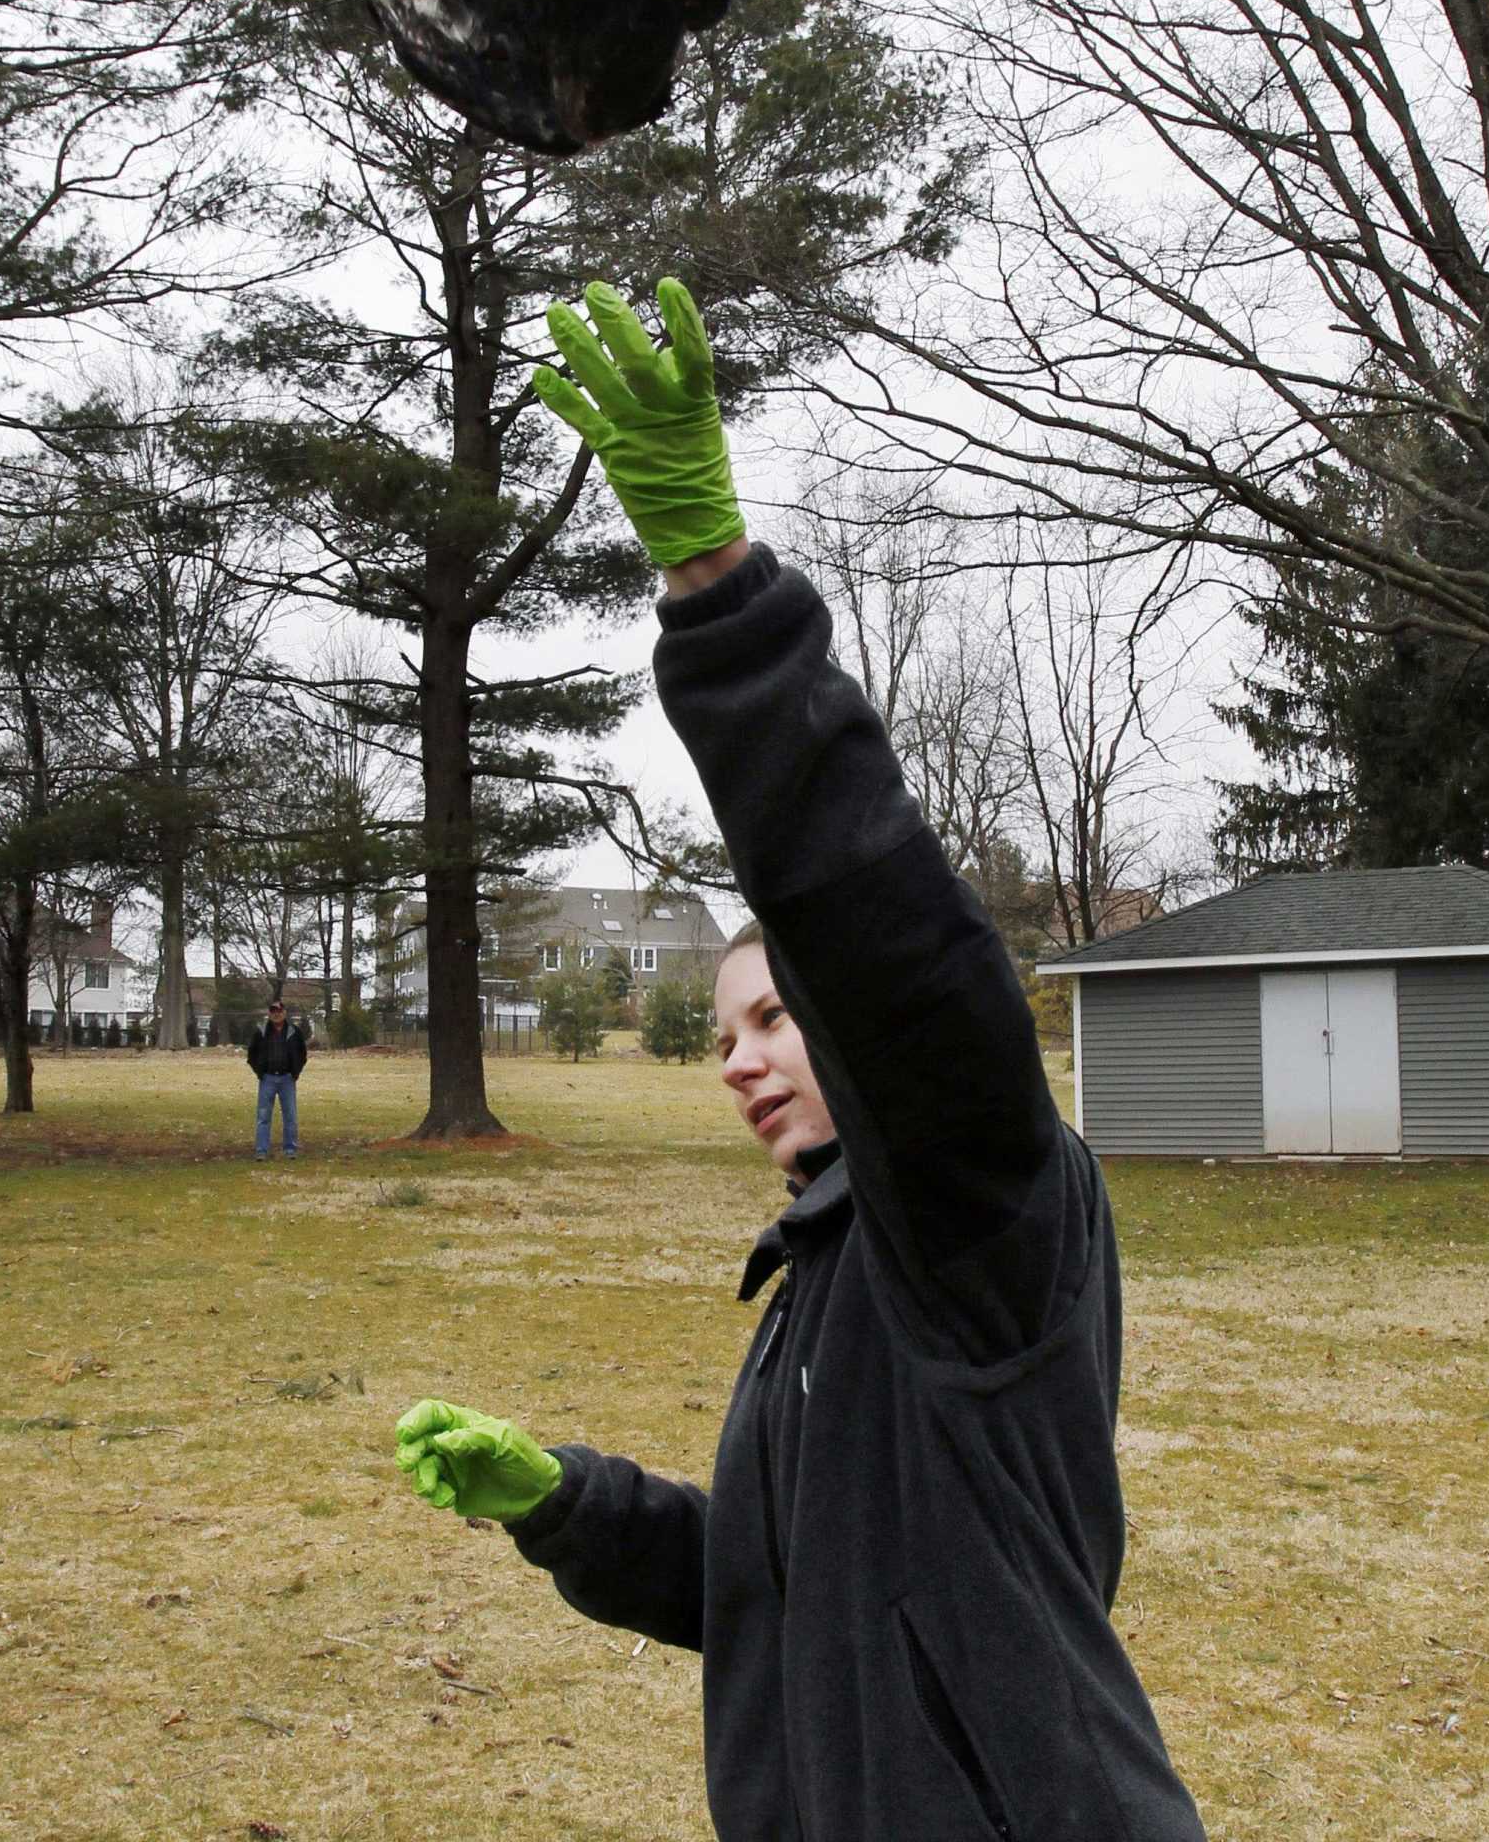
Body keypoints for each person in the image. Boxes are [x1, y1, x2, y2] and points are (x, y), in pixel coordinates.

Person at [395, 280, 1208, 1842]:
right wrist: (578, 1510)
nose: (735, 1062)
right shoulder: (825, 1263)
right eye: (719, 1035)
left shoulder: (978, 1221)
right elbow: (794, 1591)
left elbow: (881, 938)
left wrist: (718, 592)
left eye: (771, 1019)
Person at [246, 994, 306, 1160]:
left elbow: (302, 1054)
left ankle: (290, 1149)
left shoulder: (294, 1032)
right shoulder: (261, 1031)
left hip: (287, 1079)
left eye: (279, 1010)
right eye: (273, 1011)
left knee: (290, 1116)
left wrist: (295, 1072)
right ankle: (261, 1150)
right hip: (268, 1079)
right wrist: (260, 1072)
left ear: (284, 1012)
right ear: (269, 1013)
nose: (276, 1014)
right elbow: (251, 1054)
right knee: (263, 1116)